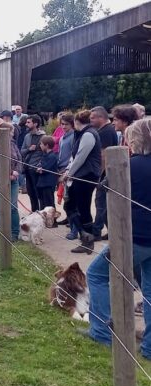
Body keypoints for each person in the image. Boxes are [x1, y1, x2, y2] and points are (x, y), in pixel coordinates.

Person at [83, 119, 151, 354]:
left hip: (135, 237)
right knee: (150, 290)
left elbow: (104, 186)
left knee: (97, 274)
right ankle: (150, 347)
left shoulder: (129, 165)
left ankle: (101, 332)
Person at [60, 110, 101, 254]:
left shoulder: (89, 134)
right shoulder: (83, 134)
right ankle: (84, 235)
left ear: (76, 122)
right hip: (80, 176)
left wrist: (68, 174)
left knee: (82, 208)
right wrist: (68, 171)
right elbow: (75, 156)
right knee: (70, 206)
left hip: (86, 176)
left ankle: (87, 240)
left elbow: (81, 157)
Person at [90, 106, 119, 241]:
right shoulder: (104, 130)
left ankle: (96, 232)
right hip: (107, 173)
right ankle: (111, 231)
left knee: (100, 203)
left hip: (104, 173)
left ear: (101, 117)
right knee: (104, 205)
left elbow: (103, 155)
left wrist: (98, 175)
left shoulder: (106, 132)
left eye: (93, 118)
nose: (90, 120)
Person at [20, 114, 45, 212]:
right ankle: (34, 212)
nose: (26, 124)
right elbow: (21, 151)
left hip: (36, 169)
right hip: (27, 167)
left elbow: (46, 154)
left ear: (35, 124)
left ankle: (42, 213)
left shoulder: (43, 137)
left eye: (28, 122)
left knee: (39, 193)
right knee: (31, 192)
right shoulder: (27, 136)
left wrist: (40, 165)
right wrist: (29, 149)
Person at [36, 136, 58, 209]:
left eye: (42, 144)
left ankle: (52, 220)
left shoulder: (52, 156)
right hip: (41, 183)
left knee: (49, 204)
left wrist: (41, 169)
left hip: (48, 184)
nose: (40, 145)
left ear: (47, 145)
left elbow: (45, 168)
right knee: (42, 204)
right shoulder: (44, 155)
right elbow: (39, 165)